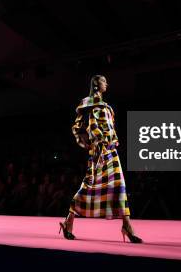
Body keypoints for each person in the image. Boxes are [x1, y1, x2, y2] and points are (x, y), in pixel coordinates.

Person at [59, 75, 142, 243]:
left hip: (110, 150)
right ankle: (69, 221)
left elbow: (106, 127)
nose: (107, 83)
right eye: (104, 81)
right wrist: (100, 144)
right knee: (89, 186)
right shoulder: (92, 104)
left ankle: (127, 225)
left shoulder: (104, 106)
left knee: (119, 186)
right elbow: (91, 126)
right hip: (101, 151)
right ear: (97, 84)